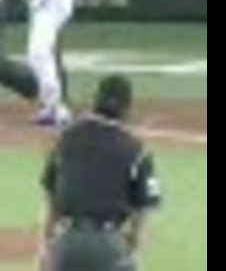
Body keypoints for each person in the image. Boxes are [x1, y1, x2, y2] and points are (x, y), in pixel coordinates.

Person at [37, 75, 162, 270]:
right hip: (109, 248)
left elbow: (51, 200)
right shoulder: (136, 149)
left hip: (66, 245)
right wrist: (132, 250)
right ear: (127, 108)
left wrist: (46, 250)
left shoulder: (65, 139)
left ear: (95, 101)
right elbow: (144, 208)